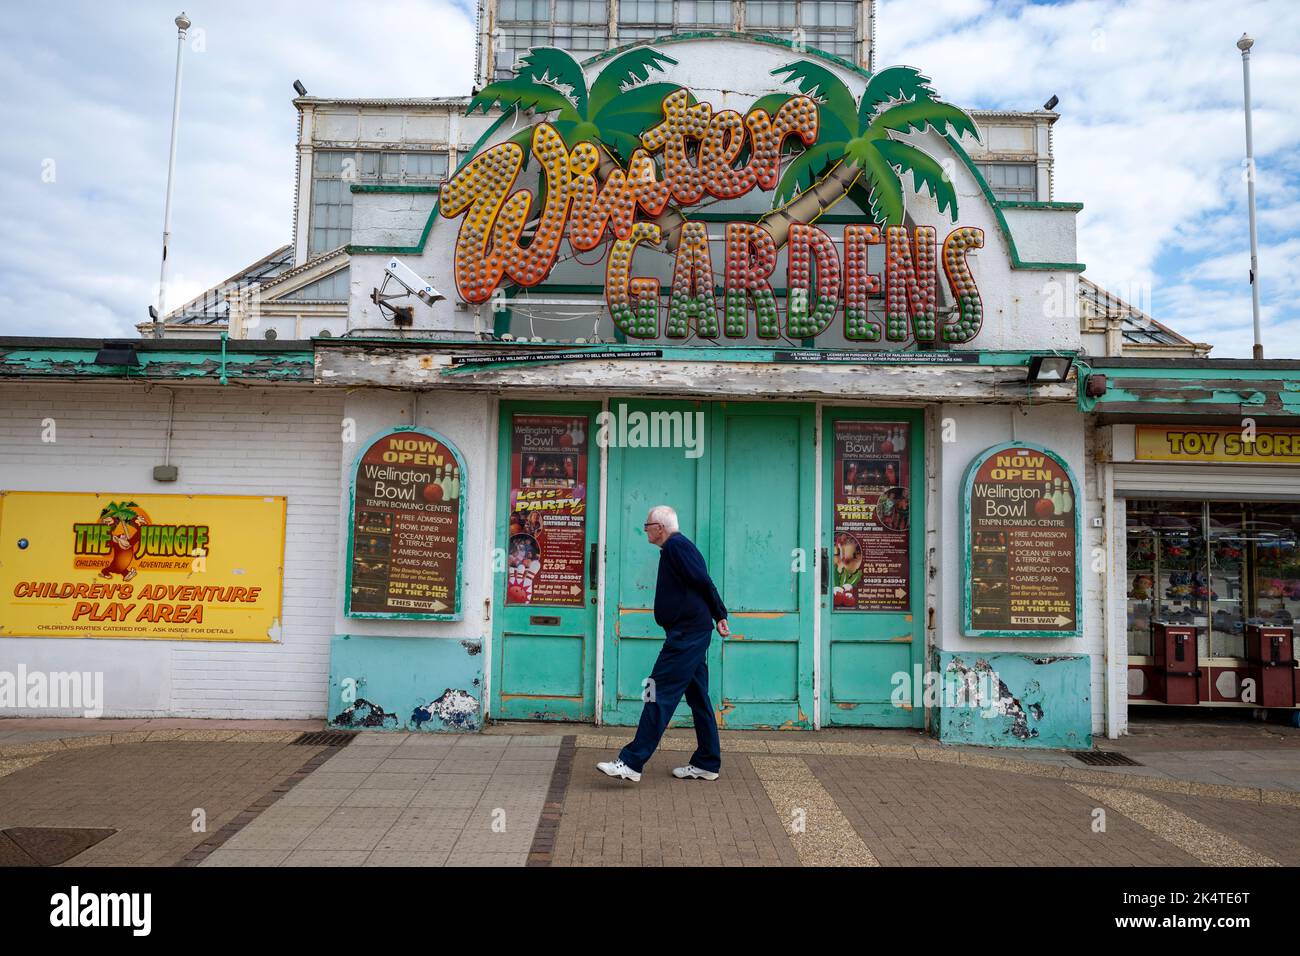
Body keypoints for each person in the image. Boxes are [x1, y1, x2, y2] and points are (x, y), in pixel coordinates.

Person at [597, 505, 729, 783]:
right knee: (698, 697)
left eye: (647, 525)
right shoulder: (678, 548)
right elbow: (700, 583)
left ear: (660, 527)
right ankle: (707, 761)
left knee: (656, 691)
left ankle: (631, 762)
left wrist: (720, 613)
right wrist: (718, 615)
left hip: (686, 636)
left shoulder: (676, 547)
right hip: (689, 633)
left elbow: (704, 581)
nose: (645, 530)